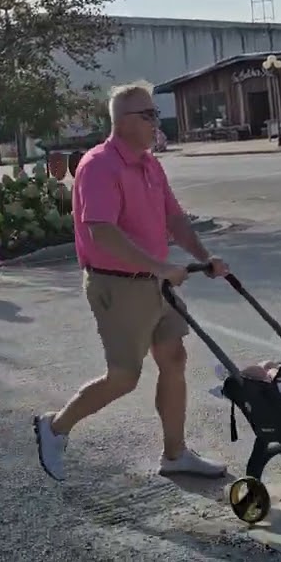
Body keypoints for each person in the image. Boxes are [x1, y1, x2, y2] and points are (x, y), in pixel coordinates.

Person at [33, 81, 230, 482]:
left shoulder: (150, 164)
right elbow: (102, 232)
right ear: (122, 122)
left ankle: (174, 454)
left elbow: (174, 218)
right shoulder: (99, 165)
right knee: (124, 376)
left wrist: (204, 257)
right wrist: (160, 267)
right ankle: (54, 427)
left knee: (174, 359)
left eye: (155, 113)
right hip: (117, 285)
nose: (156, 121)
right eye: (148, 114)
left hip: (156, 284)